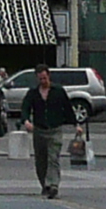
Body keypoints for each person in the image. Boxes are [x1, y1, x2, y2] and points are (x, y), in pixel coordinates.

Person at [19, 67, 78, 200]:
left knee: (53, 157)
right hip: (39, 130)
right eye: (40, 79)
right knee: (41, 160)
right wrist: (26, 121)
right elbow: (25, 107)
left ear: (49, 76)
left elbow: (67, 108)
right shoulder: (33, 93)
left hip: (55, 129)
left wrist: (76, 125)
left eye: (45, 78)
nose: (43, 81)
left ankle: (53, 185)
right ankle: (45, 185)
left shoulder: (58, 91)